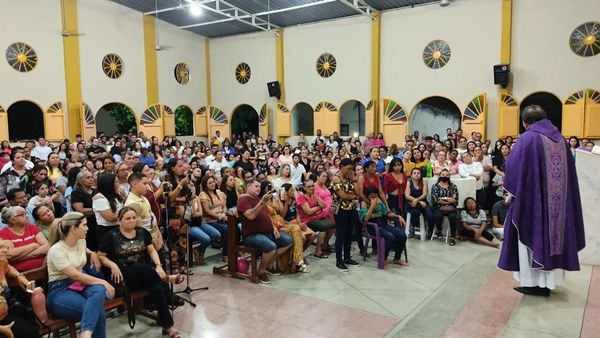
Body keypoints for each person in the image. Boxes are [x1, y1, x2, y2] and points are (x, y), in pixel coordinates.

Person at [498, 105, 585, 297]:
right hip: (558, 208)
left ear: (525, 123)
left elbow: (512, 168)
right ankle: (548, 283)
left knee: (530, 235)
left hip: (532, 204)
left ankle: (533, 283)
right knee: (555, 238)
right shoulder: (561, 139)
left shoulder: (527, 138)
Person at [98, 207, 182, 338]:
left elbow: (152, 250)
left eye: (133, 218)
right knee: (139, 267)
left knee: (157, 287)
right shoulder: (111, 235)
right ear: (119, 221)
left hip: (146, 275)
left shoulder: (142, 232)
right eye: (127, 218)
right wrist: (112, 265)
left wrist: (159, 265)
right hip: (124, 277)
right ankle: (166, 278)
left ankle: (168, 326)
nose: (132, 221)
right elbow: (101, 256)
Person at [46, 212, 112, 338]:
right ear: (73, 228)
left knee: (98, 290)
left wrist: (92, 253)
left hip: (78, 284)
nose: (88, 228)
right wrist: (104, 281)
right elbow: (75, 275)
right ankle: (86, 333)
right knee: (96, 310)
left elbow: (81, 252)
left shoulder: (81, 241)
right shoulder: (56, 250)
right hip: (60, 290)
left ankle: (86, 333)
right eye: (84, 225)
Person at [237, 179, 293, 284]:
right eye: (256, 186)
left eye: (259, 186)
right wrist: (262, 202)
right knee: (271, 247)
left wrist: (274, 228)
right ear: (248, 187)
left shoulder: (258, 199)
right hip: (252, 236)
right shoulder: (243, 200)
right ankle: (261, 271)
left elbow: (267, 216)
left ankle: (269, 265)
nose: (259, 188)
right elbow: (251, 216)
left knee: (288, 240)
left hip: (267, 232)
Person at [359, 187, 408, 266]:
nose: (373, 198)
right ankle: (383, 259)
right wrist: (372, 206)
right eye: (371, 197)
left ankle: (397, 258)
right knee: (390, 237)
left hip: (383, 224)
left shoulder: (380, 202)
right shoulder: (364, 203)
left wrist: (398, 216)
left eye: (375, 196)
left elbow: (387, 214)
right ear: (367, 196)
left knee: (402, 235)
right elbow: (366, 218)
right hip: (373, 227)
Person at [330, 158, 361, 271]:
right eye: (348, 169)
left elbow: (358, 192)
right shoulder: (336, 178)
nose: (350, 171)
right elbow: (343, 196)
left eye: (351, 169)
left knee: (349, 234)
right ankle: (339, 260)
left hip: (351, 208)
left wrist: (354, 180)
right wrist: (354, 196)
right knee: (341, 234)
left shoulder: (350, 178)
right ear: (341, 166)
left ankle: (347, 257)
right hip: (341, 210)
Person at [0, 206, 49, 272]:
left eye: (26, 213)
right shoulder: (4, 233)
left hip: (44, 268)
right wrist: (34, 245)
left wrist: (21, 257)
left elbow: (47, 247)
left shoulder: (32, 227)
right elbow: (9, 254)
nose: (26, 216)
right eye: (22, 214)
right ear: (12, 220)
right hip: (21, 274)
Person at [430, 169, 459, 245]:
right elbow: (436, 200)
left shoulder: (453, 186)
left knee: (453, 217)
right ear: (439, 176)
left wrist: (443, 199)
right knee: (438, 216)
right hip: (438, 207)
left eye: (447, 175)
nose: (445, 176)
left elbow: (455, 199)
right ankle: (439, 230)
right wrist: (449, 200)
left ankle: (453, 237)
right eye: (443, 175)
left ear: (449, 177)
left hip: (451, 207)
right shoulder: (435, 186)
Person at [404, 168, 433, 238]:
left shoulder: (423, 182)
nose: (416, 175)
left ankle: (430, 230)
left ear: (420, 175)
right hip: (412, 203)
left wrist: (418, 200)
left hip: (423, 203)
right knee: (415, 212)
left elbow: (425, 194)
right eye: (414, 173)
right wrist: (418, 201)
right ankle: (412, 227)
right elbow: (407, 195)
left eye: (418, 173)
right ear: (411, 175)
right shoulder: (409, 183)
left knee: (430, 215)